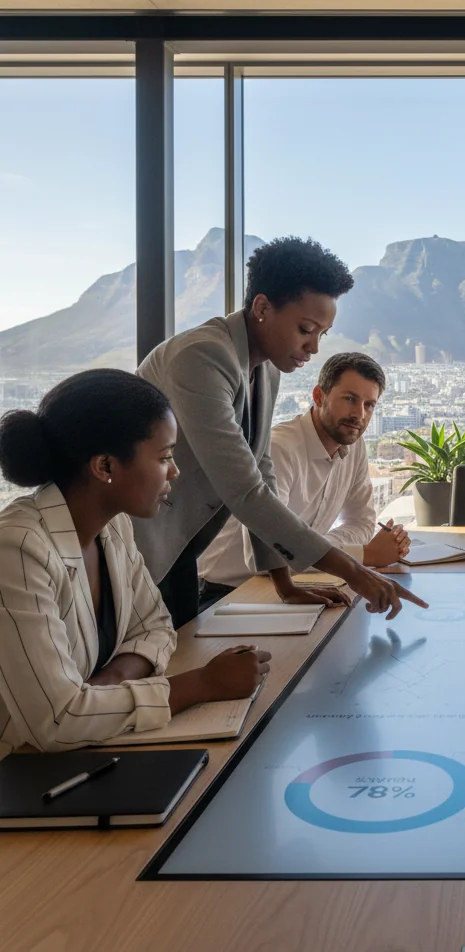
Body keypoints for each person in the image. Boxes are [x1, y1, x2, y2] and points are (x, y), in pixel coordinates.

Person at [133, 236, 426, 627]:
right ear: (262, 308)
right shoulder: (202, 356)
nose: (314, 347)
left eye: (322, 333)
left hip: (179, 549)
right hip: (134, 544)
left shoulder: (266, 367)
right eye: (306, 329)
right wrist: (354, 570)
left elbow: (261, 471)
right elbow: (245, 490)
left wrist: (284, 584)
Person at [0, 369, 270, 760]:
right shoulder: (18, 548)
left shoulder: (114, 527)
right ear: (105, 467)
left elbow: (156, 626)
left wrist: (105, 687)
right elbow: (57, 720)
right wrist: (201, 685)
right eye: (164, 457)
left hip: (75, 755)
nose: (174, 471)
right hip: (19, 769)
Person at [198, 352, 410, 604]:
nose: (359, 415)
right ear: (319, 396)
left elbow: (362, 523)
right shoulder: (279, 449)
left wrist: (319, 548)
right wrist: (364, 555)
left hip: (290, 583)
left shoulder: (354, 445)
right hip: (225, 592)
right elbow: (270, 555)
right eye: (350, 399)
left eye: (369, 405)